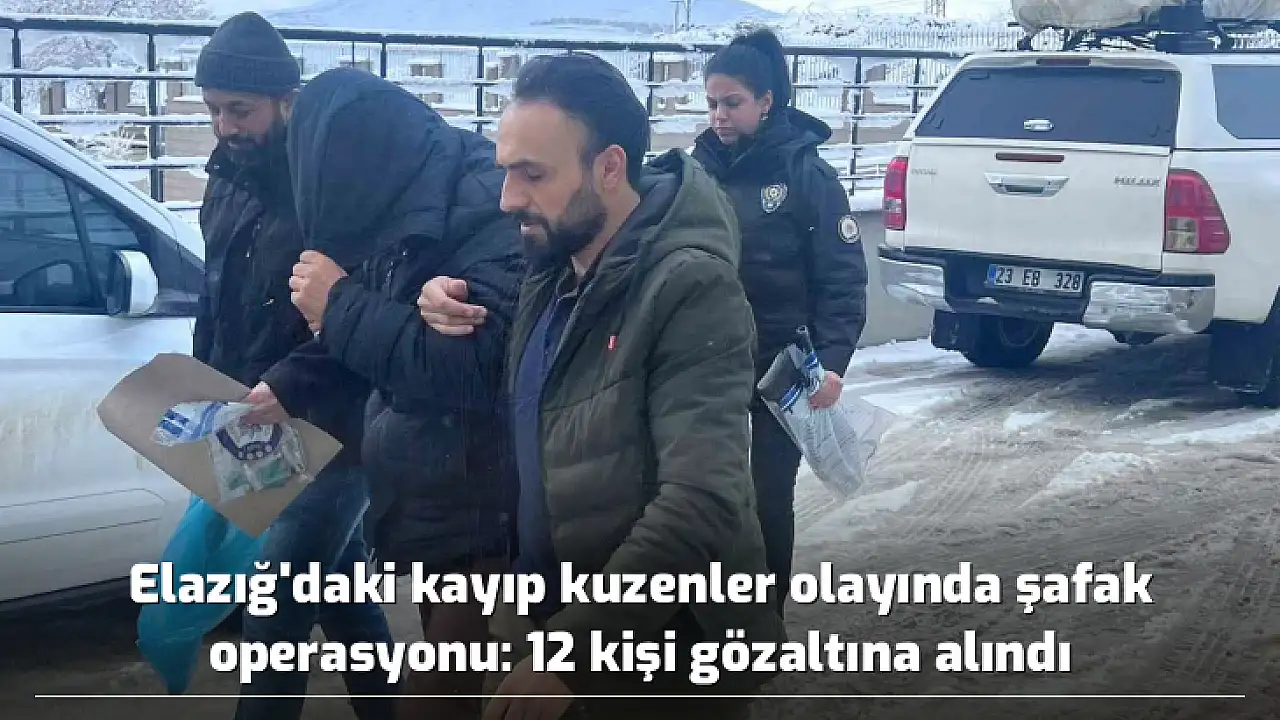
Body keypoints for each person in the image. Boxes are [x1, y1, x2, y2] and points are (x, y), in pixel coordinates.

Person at [418, 52, 787, 720]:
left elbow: (702, 499)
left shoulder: (692, 288)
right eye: (506, 171)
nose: (508, 198)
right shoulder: (552, 265)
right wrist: (437, 298)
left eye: (533, 174)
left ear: (610, 168)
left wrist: (574, 652)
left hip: (665, 662)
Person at [256, 66, 525, 719]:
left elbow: (478, 368)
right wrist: (285, 383)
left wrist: (338, 303)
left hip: (492, 489)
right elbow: (381, 324)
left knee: (456, 685)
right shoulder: (409, 198)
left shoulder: (485, 209)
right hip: (434, 477)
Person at [191, 12, 397, 720]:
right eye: (213, 110)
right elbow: (218, 298)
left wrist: (289, 383)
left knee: (273, 614)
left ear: (286, 100)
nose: (225, 126)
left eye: (239, 109)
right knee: (342, 596)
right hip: (256, 422)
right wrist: (208, 393)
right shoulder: (226, 179)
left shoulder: (335, 185)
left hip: (333, 428)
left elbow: (364, 309)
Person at [693, 28, 869, 615]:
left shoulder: (806, 175)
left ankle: (763, 622)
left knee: (768, 496)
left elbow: (843, 278)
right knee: (704, 492)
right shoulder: (697, 172)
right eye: (712, 103)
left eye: (733, 102)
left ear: (766, 101)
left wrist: (832, 362)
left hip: (783, 368)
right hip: (709, 360)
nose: (719, 116)